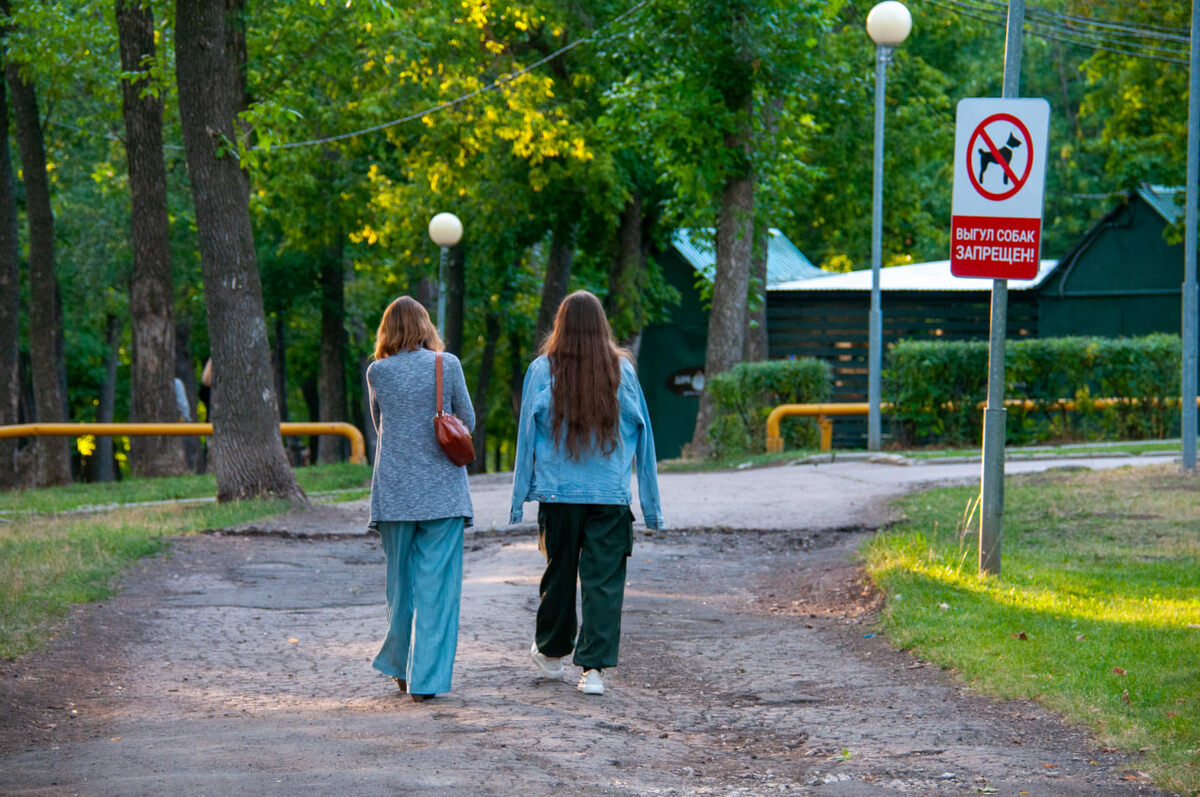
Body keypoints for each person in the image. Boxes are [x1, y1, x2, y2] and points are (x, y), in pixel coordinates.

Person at [510, 290, 663, 696]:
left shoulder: (541, 371)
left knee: (558, 574)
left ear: (560, 325)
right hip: (610, 497)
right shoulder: (623, 372)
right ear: (602, 326)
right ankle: (593, 671)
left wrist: (519, 498)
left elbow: (527, 438)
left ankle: (551, 652)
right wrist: (651, 508)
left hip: (559, 497)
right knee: (604, 582)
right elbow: (644, 436)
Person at [367, 296, 475, 703]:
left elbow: (381, 427)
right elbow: (468, 419)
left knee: (400, 584)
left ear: (387, 330)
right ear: (426, 326)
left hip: (394, 492)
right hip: (443, 493)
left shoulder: (377, 372)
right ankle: (426, 679)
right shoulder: (446, 366)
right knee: (438, 587)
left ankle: (398, 665)